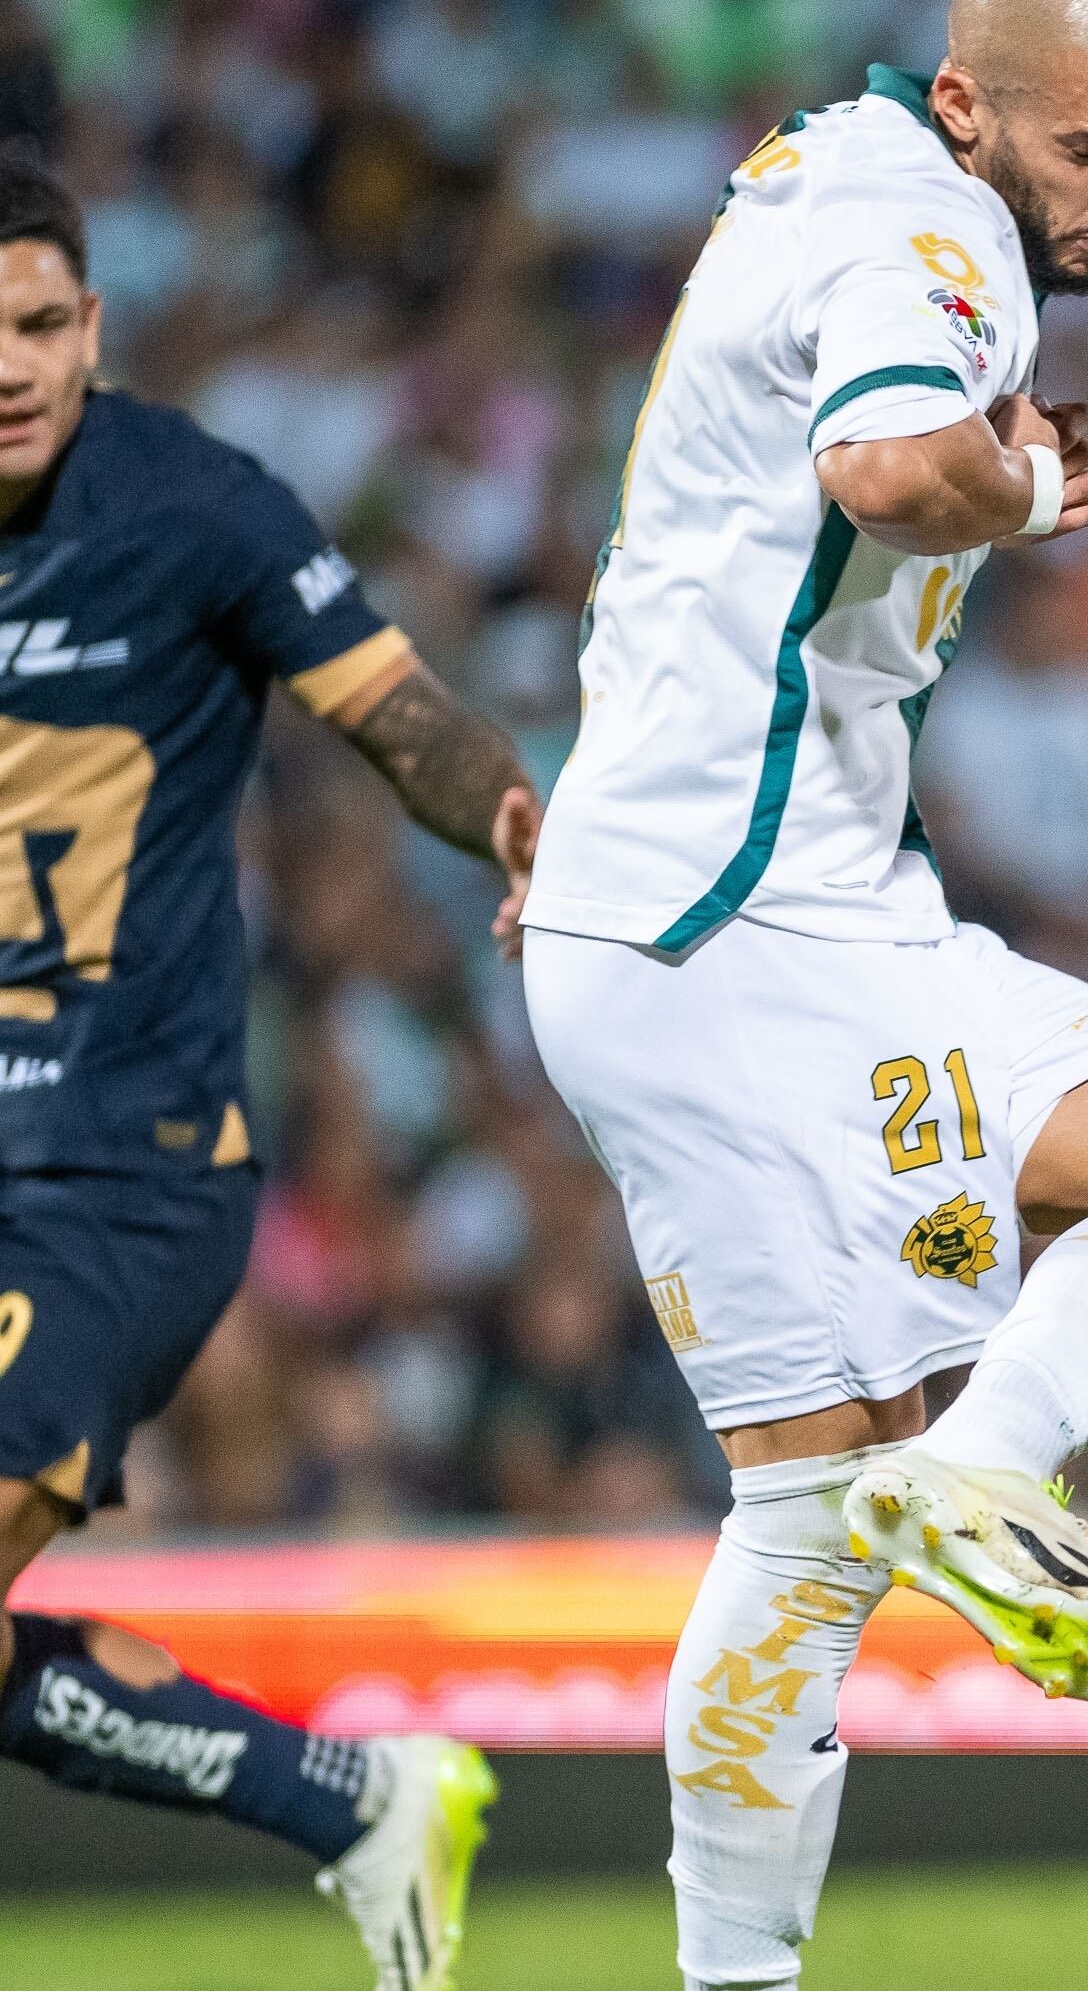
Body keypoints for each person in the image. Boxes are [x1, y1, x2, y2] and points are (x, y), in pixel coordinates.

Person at [517, 0, 1088, 1991]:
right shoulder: (930, 234)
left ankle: (736, 1978)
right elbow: (890, 461)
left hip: (661, 927)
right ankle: (989, 1473)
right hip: (751, 924)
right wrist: (1028, 483)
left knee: (801, 1507)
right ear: (971, 104)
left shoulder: (824, 174)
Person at [0, 151, 530, 1991]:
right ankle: (347, 1793)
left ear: (95, 327)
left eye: (44, 322)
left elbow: (399, 715)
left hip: (115, 1172)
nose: (13, 363)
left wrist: (523, 828)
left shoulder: (194, 507)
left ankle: (351, 1794)